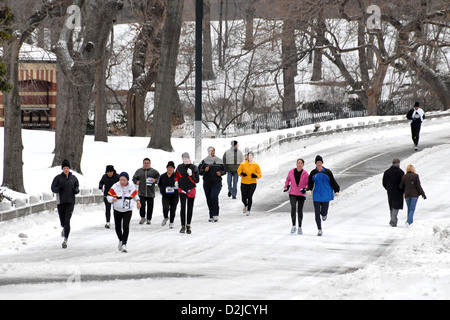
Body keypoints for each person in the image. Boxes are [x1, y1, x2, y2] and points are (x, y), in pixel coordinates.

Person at [107, 172, 141, 253]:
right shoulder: (115, 186)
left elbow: (135, 195)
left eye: (124, 180)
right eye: (121, 180)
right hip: (117, 209)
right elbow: (108, 196)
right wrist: (112, 199)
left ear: (127, 180)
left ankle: (124, 244)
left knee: (126, 226)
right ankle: (121, 239)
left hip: (127, 209)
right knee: (118, 227)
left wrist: (138, 201)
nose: (122, 182)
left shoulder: (131, 187)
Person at [307, 155, 340, 236]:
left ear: (322, 163)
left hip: (326, 194)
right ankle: (319, 229)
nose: (319, 164)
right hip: (317, 194)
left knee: (323, 212)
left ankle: (324, 214)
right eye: (317, 162)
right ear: (315, 163)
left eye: (320, 162)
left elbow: (332, 181)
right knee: (317, 213)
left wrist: (336, 190)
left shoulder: (327, 172)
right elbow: (310, 183)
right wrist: (309, 189)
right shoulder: (313, 173)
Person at [51, 159, 80, 249]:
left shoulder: (73, 178)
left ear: (69, 168)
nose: (66, 170)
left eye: (67, 168)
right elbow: (53, 188)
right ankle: (64, 228)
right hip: (61, 202)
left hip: (70, 202)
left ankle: (65, 239)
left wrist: (76, 190)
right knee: (63, 221)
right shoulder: (58, 178)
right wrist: (59, 188)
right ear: (62, 169)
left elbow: (77, 187)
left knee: (67, 220)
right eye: (64, 168)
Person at [199, 146, 226, 222]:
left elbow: (225, 170)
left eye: (212, 151)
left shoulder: (219, 161)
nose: (211, 152)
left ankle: (215, 214)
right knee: (209, 199)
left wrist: (220, 173)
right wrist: (204, 170)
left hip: (216, 182)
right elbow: (199, 171)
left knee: (214, 196)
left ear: (214, 151)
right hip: (207, 183)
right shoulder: (204, 161)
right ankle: (211, 215)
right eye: (209, 151)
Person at [175, 153, 199, 234]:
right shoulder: (179, 167)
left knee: (189, 207)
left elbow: (197, 180)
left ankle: (188, 225)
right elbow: (176, 175)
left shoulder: (194, 167)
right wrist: (176, 181)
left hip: (191, 189)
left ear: (189, 159)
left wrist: (191, 175)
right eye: (183, 159)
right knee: (182, 207)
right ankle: (182, 226)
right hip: (182, 189)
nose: (185, 160)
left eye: (186, 158)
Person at [284, 159, 309, 235]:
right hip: (293, 193)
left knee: (300, 210)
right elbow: (288, 180)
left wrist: (305, 188)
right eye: (298, 163)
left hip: (301, 194)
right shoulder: (291, 172)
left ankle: (300, 227)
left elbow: (307, 184)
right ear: (296, 164)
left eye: (301, 163)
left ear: (303, 165)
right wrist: (286, 186)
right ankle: (294, 226)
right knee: (293, 207)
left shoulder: (305, 174)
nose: (299, 165)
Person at [132, 158, 160, 225]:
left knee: (150, 206)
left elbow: (159, 177)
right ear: (143, 164)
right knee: (142, 205)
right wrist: (136, 182)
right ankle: (142, 217)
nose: (146, 164)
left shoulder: (154, 171)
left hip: (150, 192)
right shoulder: (139, 171)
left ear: (150, 164)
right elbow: (134, 178)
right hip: (142, 192)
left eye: (147, 163)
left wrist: (155, 180)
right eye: (145, 163)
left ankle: (149, 219)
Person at [237, 151, 262, 216]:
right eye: (248, 156)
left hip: (252, 183)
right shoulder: (243, 164)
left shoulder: (256, 165)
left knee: (249, 196)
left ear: (252, 157)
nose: (249, 157)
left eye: (251, 156)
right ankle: (246, 205)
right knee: (243, 198)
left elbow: (259, 174)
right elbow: (239, 171)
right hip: (244, 182)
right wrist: (241, 173)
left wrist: (256, 176)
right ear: (247, 156)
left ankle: (248, 210)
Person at [382, 158, 405, 227]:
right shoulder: (401, 172)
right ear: (398, 164)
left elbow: (384, 183)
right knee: (396, 206)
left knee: (391, 205)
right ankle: (393, 221)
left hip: (390, 191)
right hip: (398, 191)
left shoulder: (387, 172)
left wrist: (388, 188)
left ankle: (392, 220)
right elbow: (403, 182)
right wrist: (402, 189)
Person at [158, 161, 179, 228]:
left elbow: (180, 184)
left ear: (174, 168)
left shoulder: (176, 176)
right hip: (165, 196)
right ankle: (166, 217)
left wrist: (176, 187)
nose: (170, 169)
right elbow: (159, 184)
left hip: (174, 196)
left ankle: (171, 222)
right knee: (165, 208)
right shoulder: (163, 176)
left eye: (171, 167)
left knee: (173, 209)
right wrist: (162, 191)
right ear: (167, 168)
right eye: (168, 167)